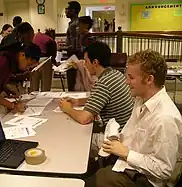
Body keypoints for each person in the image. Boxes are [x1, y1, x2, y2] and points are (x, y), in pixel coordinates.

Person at [89, 50, 182, 187]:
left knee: (93, 180)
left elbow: (164, 169)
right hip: (127, 163)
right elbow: (131, 136)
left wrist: (126, 153)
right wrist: (116, 141)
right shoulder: (140, 99)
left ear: (149, 80)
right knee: (88, 167)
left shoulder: (165, 118)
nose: (127, 82)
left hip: (145, 179)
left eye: (131, 78)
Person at [60, 42, 133, 127]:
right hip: (125, 127)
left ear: (95, 62)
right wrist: (77, 101)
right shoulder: (117, 74)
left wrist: (68, 109)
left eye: (86, 61)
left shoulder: (103, 83)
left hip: (115, 134)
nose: (84, 65)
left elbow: (84, 118)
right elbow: (100, 99)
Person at [65, 1, 81, 91]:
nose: (66, 11)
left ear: (73, 11)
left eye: (68, 9)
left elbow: (75, 45)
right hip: (73, 56)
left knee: (73, 83)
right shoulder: (72, 24)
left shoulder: (74, 25)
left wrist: (64, 48)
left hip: (74, 57)